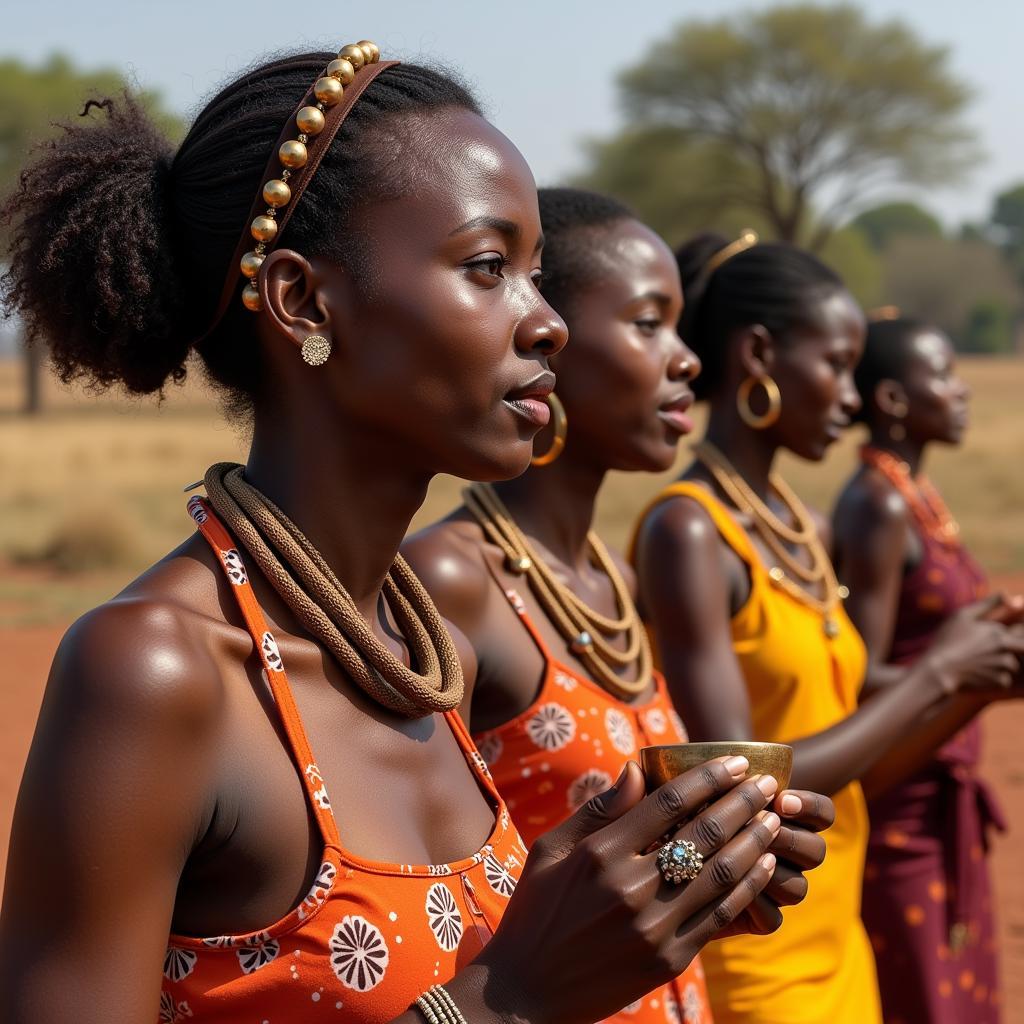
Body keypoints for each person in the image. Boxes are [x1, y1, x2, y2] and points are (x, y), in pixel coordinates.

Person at [0, 49, 800, 1024]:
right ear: (303, 303)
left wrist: (673, 885)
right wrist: (511, 1000)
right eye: (487, 267)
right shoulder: (159, 673)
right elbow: (499, 994)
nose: (546, 323)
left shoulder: (428, 658)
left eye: (537, 276)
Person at [404, 188, 833, 1024]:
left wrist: (713, 868)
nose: (687, 360)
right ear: (546, 336)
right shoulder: (451, 581)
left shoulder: (614, 582)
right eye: (648, 323)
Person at [631, 232, 1024, 1024]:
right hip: (758, 945)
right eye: (837, 365)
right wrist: (940, 674)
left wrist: (976, 680)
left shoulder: (800, 529)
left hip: (840, 927)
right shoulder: (691, 531)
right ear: (760, 355)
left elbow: (854, 762)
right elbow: (738, 788)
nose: (852, 398)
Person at [832, 314, 1007, 1023]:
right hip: (901, 799)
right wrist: (970, 672)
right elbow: (857, 671)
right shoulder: (878, 505)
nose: (962, 392)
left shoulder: (911, 497)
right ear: (896, 401)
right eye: (945, 376)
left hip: (937, 792)